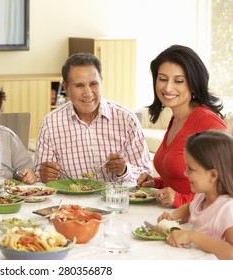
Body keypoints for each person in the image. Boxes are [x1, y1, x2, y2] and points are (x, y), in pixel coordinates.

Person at [35, 52, 152, 184]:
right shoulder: (50, 123)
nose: (88, 93)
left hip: (115, 202)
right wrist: (44, 176)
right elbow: (40, 176)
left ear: (101, 81)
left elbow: (146, 175)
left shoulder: (126, 119)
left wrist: (124, 170)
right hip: (69, 203)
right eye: (79, 85)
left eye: (93, 84)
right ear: (66, 88)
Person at [137, 45, 227, 208]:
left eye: (178, 81)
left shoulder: (209, 124)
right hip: (172, 216)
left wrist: (180, 199)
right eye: (162, 79)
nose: (167, 88)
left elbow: (224, 188)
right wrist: (156, 183)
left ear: (193, 84)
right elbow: (182, 179)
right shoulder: (176, 118)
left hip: (200, 224)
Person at [158, 130, 233, 260]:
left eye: (190, 169)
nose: (185, 173)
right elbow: (189, 208)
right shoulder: (202, 197)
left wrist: (192, 236)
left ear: (213, 175)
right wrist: (173, 216)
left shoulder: (227, 209)